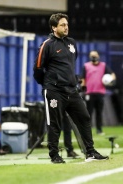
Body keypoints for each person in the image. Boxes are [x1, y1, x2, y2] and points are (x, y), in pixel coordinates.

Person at [33, 13, 109, 164]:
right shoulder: (47, 45)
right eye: (62, 25)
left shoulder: (72, 43)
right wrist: (48, 85)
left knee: (84, 117)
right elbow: (37, 69)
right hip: (54, 91)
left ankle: (90, 152)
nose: (66, 27)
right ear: (54, 27)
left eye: (67, 24)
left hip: (71, 90)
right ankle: (54, 155)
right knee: (55, 123)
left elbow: (71, 64)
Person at [81, 51, 116, 135]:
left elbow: (112, 74)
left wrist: (111, 80)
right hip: (89, 92)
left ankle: (99, 130)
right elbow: (83, 78)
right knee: (88, 113)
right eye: (92, 56)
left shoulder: (103, 65)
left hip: (100, 92)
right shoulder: (86, 66)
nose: (93, 57)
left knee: (99, 112)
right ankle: (87, 130)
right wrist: (83, 89)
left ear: (98, 56)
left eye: (95, 55)